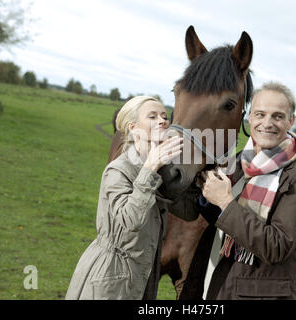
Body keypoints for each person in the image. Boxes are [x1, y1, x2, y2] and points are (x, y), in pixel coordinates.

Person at [179, 82, 296, 300]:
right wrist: (204, 194)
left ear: (290, 121)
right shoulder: (238, 162)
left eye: (277, 116)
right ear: (249, 118)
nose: (267, 123)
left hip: (258, 294)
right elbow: (221, 220)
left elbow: (276, 246)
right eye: (260, 114)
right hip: (214, 282)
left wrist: (226, 202)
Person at [65, 96, 197, 300]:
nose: (162, 120)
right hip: (111, 278)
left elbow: (188, 212)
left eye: (164, 116)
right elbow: (130, 222)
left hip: (143, 277)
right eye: (152, 116)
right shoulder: (118, 171)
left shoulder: (161, 169)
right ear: (133, 128)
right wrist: (151, 168)